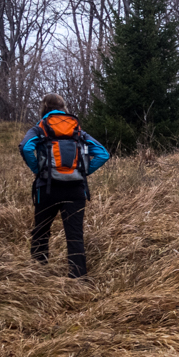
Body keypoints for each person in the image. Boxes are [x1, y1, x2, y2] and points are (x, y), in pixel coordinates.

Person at [20, 94, 110, 279]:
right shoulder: (77, 131)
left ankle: (38, 275)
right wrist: (83, 172)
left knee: (41, 231)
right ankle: (78, 280)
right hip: (76, 190)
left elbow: (26, 147)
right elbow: (103, 153)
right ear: (64, 107)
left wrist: (39, 170)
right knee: (74, 235)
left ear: (44, 107)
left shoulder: (40, 128)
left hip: (46, 189)